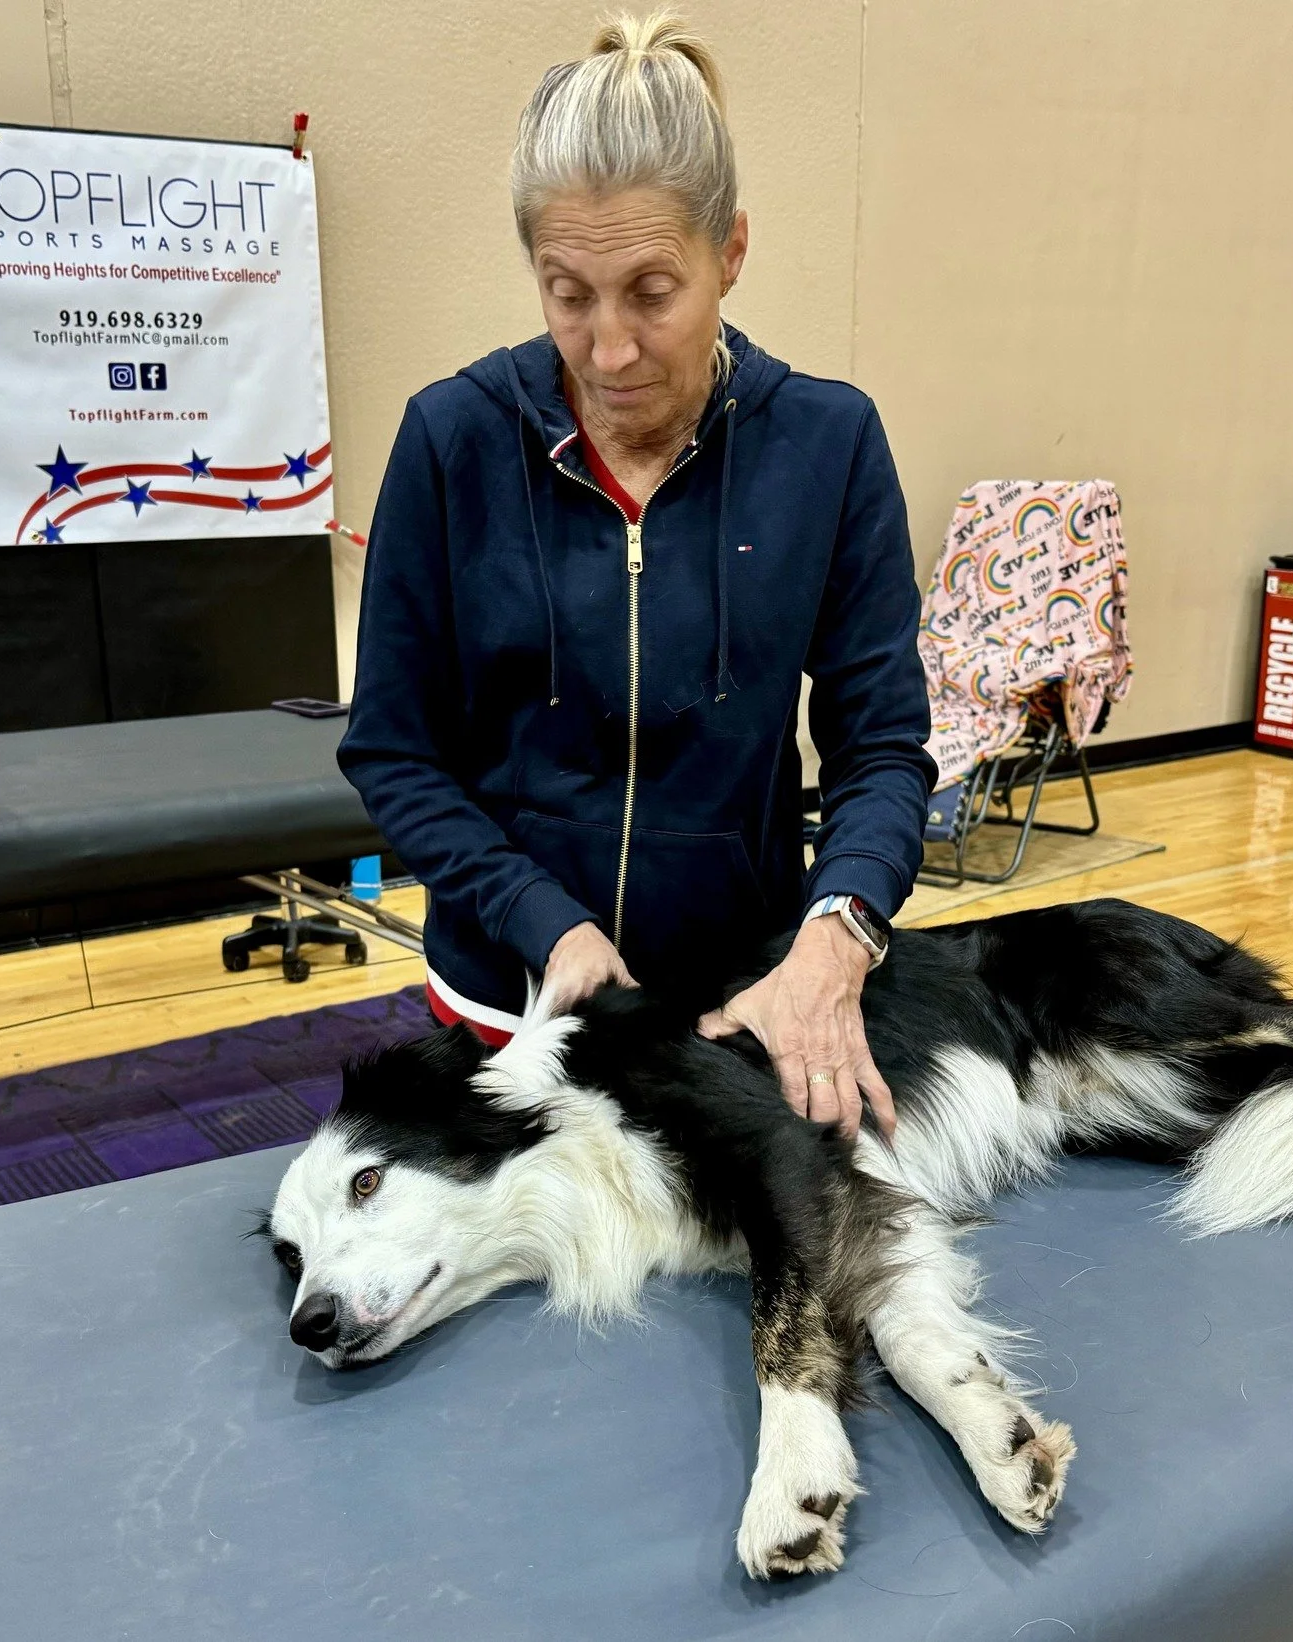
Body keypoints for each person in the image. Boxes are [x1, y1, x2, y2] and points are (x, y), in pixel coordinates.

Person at [340, 12, 934, 1137]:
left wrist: (837, 933)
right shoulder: (450, 441)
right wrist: (539, 921)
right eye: (567, 293)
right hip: (507, 1004)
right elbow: (393, 751)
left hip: (736, 1000)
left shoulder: (827, 445)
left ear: (732, 254)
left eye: (650, 293)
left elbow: (884, 748)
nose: (608, 349)